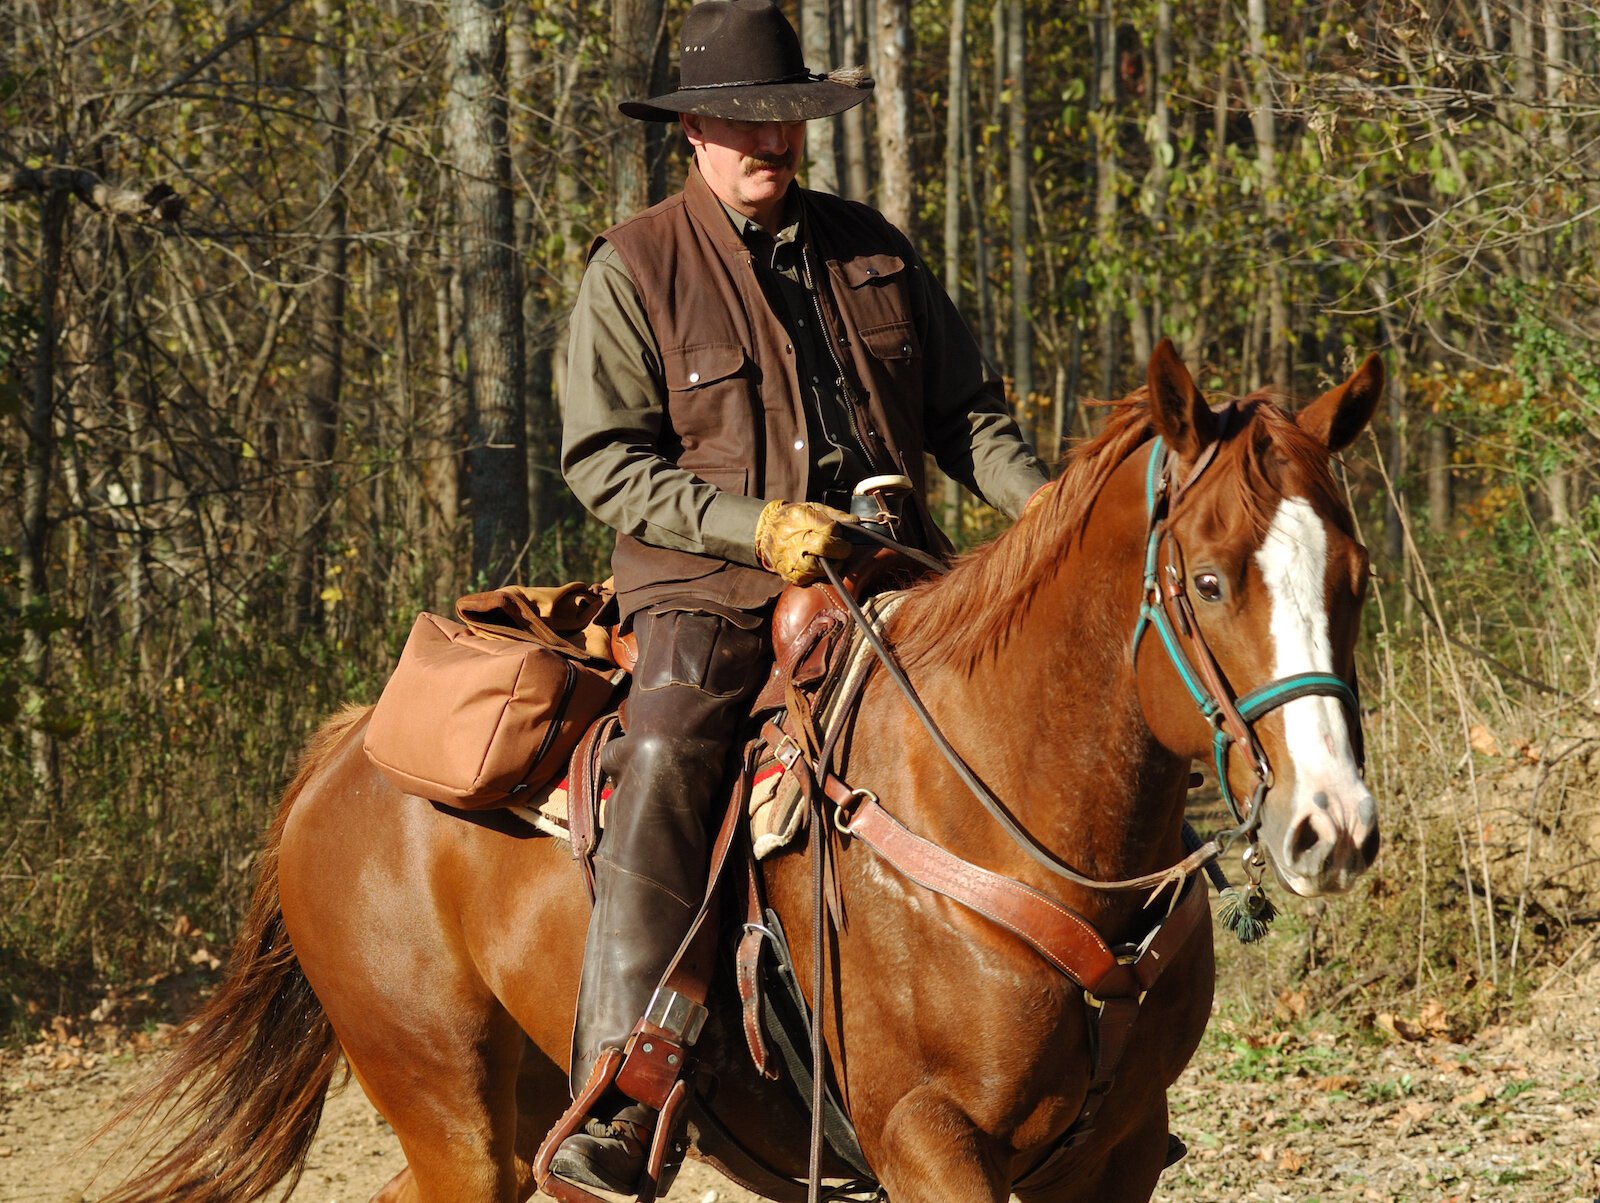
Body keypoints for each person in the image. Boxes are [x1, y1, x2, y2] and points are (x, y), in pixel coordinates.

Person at [553, 0, 1049, 1193]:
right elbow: (603, 465)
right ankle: (625, 1084)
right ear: (692, 134)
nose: (765, 147)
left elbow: (966, 417)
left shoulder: (871, 246)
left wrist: (1045, 509)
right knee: (671, 750)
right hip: (710, 588)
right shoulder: (635, 268)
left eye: (782, 125)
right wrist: (751, 527)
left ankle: (1107, 1031)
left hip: (894, 568)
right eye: (739, 125)